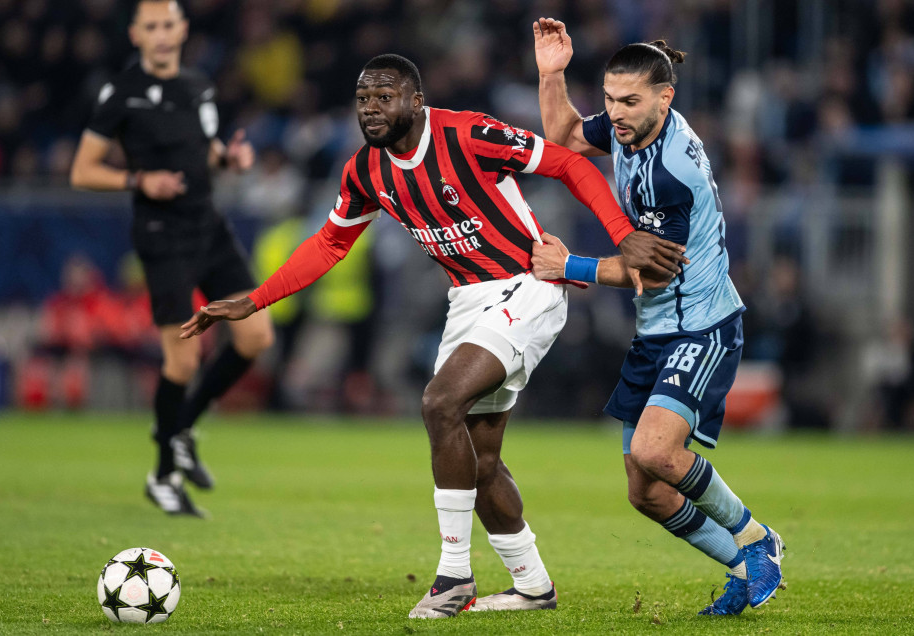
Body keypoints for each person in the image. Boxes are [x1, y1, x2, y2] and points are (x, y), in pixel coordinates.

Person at [179, 53, 684, 618]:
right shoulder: (365, 170)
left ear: (415, 100)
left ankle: (453, 577)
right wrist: (254, 300)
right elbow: (329, 243)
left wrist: (621, 234)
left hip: (527, 282)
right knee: (480, 459)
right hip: (467, 302)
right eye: (363, 97)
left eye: (384, 96)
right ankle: (533, 586)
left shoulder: (468, 133)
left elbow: (570, 164)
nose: (371, 107)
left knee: (438, 402)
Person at [530, 18, 786, 616]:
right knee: (644, 492)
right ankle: (745, 569)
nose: (614, 114)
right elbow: (565, 135)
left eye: (629, 102)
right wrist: (552, 74)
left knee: (655, 452)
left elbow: (658, 271)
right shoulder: (631, 129)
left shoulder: (673, 174)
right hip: (657, 330)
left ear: (665, 99)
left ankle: (757, 540)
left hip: (702, 325)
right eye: (610, 100)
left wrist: (572, 266)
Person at [70, 0, 274, 517]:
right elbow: (83, 171)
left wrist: (229, 158)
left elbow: (202, 148)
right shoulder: (122, 94)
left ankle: (182, 427)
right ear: (136, 35)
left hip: (209, 225)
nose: (162, 34)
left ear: (182, 29)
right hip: (162, 234)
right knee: (183, 356)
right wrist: (140, 180)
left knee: (255, 335)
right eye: (151, 27)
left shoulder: (198, 86)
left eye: (169, 25)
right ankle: (163, 473)